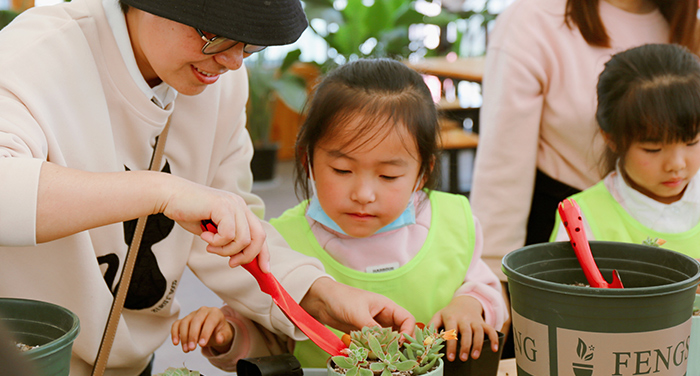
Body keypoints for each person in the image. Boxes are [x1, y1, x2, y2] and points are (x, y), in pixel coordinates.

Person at [0, 0, 416, 375]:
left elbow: (226, 230)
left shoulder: (221, 84)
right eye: (215, 35)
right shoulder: (38, 53)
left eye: (250, 44)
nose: (234, 61)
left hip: (131, 361)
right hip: (32, 359)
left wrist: (321, 295)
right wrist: (161, 191)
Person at [171, 58, 508, 370]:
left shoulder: (452, 221)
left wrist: (471, 306)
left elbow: (487, 291)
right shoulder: (280, 242)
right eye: (342, 170)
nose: (363, 194)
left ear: (423, 171)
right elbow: (271, 341)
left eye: (389, 175)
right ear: (308, 161)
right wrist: (229, 333)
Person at [469, 0, 700, 282]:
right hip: (569, 235)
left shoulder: (686, 22)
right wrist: (493, 281)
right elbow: (503, 170)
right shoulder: (533, 21)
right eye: (652, 147)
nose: (676, 162)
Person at [549, 43, 700, 256]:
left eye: (692, 142)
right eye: (653, 149)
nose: (676, 164)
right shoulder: (581, 217)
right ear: (611, 139)